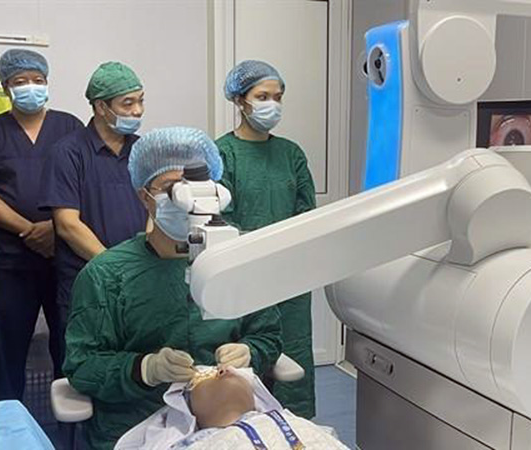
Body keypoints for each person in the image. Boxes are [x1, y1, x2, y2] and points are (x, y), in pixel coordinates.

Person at [63, 127, 283, 450]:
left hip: (230, 426)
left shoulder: (237, 261)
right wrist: (144, 369)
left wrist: (250, 351)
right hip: (138, 423)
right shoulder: (107, 275)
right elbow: (83, 365)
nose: (188, 202)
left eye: (196, 188)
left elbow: (268, 335)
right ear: (145, 196)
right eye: (172, 189)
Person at [0, 49, 84, 400]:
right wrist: (28, 230)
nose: (30, 87)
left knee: (69, 346)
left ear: (47, 83)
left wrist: (54, 227)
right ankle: (9, 421)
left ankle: (71, 424)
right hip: (12, 261)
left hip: (64, 256)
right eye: (21, 81)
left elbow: (83, 185)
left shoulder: (69, 127)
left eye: (38, 80)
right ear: (6, 87)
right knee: (9, 350)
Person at [217, 60, 317, 418]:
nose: (271, 104)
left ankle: (295, 428)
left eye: (278, 97)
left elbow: (308, 214)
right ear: (239, 100)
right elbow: (219, 219)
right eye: (262, 96)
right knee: (243, 358)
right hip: (244, 275)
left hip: (291, 278)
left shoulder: (291, 154)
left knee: (293, 357)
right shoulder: (222, 154)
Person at [38, 61, 148, 369]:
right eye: (128, 103)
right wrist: (114, 267)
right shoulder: (68, 152)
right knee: (82, 370)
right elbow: (67, 224)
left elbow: (155, 207)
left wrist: (142, 267)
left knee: (133, 368)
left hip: (137, 282)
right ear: (101, 106)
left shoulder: (143, 151)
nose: (137, 110)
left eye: (141, 101)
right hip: (88, 282)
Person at [116, 366, 349, 450]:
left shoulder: (296, 423)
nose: (222, 370)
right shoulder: (196, 443)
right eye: (204, 376)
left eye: (236, 371)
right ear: (190, 412)